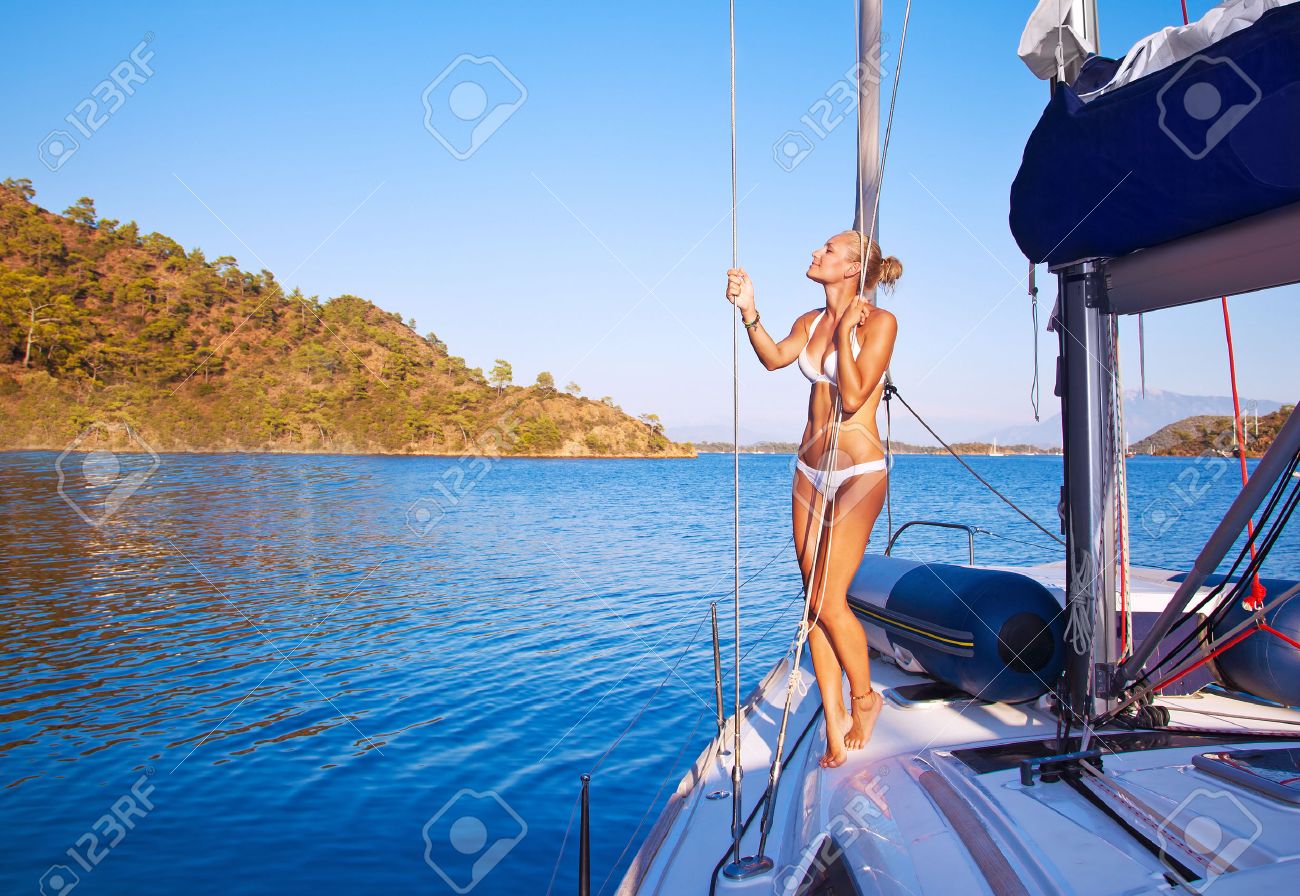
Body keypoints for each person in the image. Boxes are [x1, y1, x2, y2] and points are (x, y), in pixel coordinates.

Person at [725, 231, 901, 767]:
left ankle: (866, 698)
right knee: (811, 605)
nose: (814, 255)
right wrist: (750, 312)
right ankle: (833, 718)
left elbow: (852, 396)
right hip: (809, 468)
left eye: (826, 252)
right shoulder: (811, 321)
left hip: (858, 472)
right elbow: (776, 359)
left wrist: (848, 329)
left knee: (829, 598)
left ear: (851, 269)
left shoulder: (878, 324)